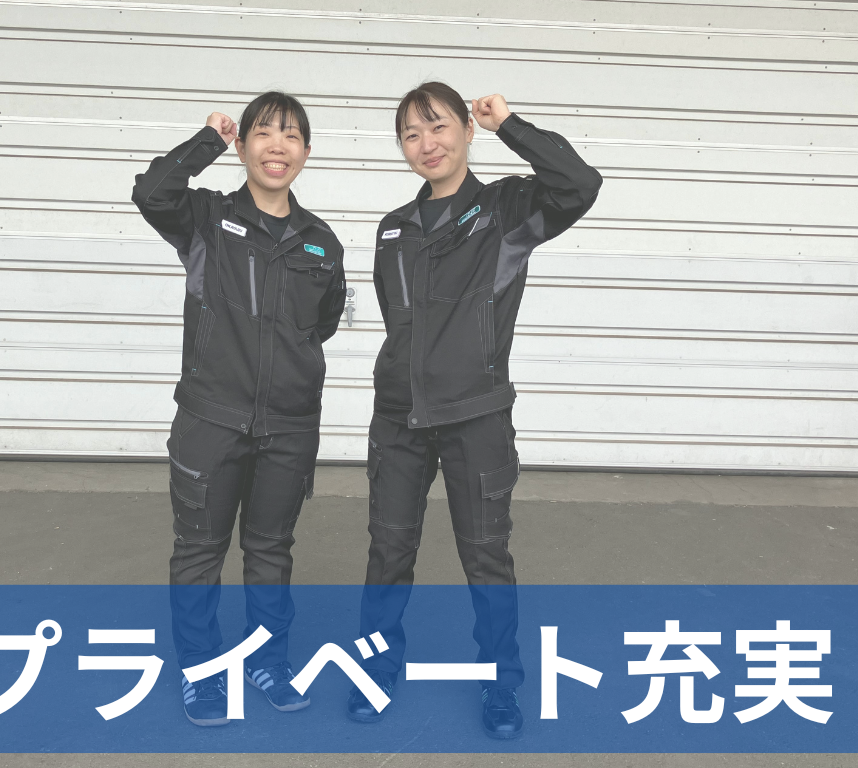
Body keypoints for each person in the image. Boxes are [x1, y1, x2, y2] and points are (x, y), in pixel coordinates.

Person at [347, 82, 603, 739]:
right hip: (399, 419)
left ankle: (500, 683)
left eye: (438, 126)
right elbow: (400, 323)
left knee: (487, 558)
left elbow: (579, 183)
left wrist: (509, 124)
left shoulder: (508, 209)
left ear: (465, 128)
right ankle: (376, 670)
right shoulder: (393, 228)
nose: (426, 143)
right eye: (411, 134)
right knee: (387, 552)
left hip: (476, 416)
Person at [131, 93, 346, 726]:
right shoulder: (204, 218)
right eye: (264, 133)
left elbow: (322, 324)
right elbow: (150, 192)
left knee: (271, 550)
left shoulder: (321, 243)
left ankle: (267, 661)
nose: (278, 146)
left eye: (291, 136)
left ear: (306, 152)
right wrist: (207, 140)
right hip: (210, 420)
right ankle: (201, 672)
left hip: (288, 427)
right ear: (244, 146)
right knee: (199, 551)